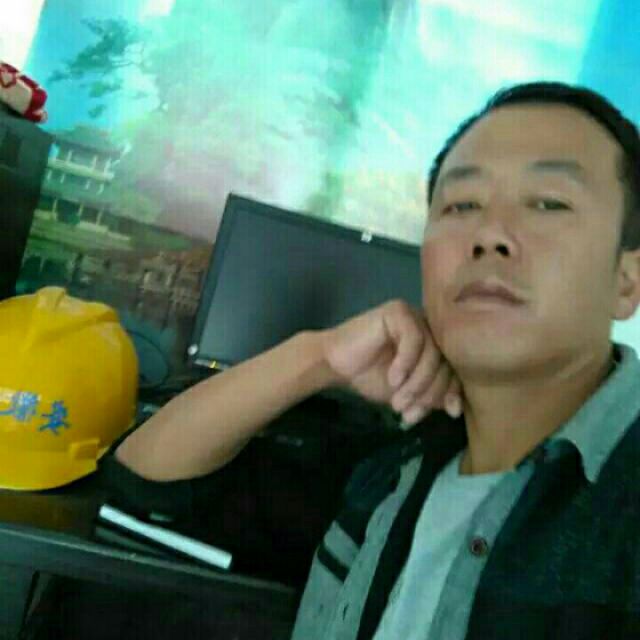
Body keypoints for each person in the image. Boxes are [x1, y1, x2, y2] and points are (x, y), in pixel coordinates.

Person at [94, 81, 640, 639]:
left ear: (628, 278)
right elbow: (145, 476)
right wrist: (321, 356)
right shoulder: (390, 470)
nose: (489, 234)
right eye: (462, 205)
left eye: (549, 202)